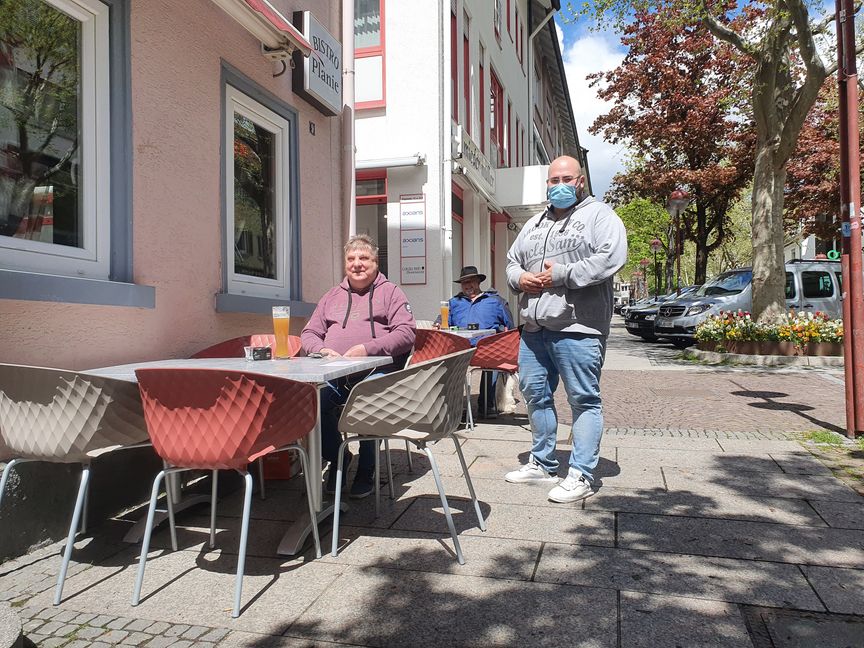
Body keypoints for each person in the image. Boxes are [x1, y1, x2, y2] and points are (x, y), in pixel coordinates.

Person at [503, 155, 627, 503]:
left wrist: (561, 274)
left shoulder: (600, 216)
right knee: (535, 395)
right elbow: (512, 262)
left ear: (580, 181)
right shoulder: (534, 224)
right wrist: (520, 279)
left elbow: (611, 258)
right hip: (534, 329)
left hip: (578, 327)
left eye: (566, 179)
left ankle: (582, 474)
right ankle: (542, 463)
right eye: (553, 180)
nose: (559, 186)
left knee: (583, 400)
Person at [301, 234, 416, 498]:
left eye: (364, 258)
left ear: (376, 262)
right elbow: (309, 333)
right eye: (351, 258)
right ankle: (338, 458)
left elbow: (406, 333)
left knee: (367, 398)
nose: (357, 264)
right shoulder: (331, 296)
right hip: (335, 374)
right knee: (311, 403)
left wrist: (367, 349)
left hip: (378, 372)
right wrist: (321, 349)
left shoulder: (391, 292)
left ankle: (367, 468)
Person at [435, 265, 514, 413]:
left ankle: (487, 405)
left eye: (471, 281)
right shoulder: (453, 302)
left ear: (478, 282)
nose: (468, 285)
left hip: (488, 349)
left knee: (493, 359)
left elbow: (510, 327)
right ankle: (454, 408)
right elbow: (441, 323)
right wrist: (438, 324)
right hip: (461, 348)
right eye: (464, 282)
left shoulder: (495, 301)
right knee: (448, 363)